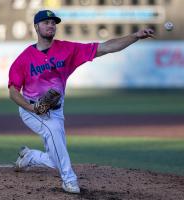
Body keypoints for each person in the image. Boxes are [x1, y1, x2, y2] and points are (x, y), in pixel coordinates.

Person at [8, 9, 154, 194]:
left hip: (55, 110)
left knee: (56, 156)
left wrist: (135, 36)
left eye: (53, 22)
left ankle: (30, 157)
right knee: (53, 132)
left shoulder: (68, 49)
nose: (51, 25)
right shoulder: (24, 59)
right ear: (36, 27)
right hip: (31, 108)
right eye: (46, 22)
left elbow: (106, 47)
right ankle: (69, 180)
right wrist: (31, 107)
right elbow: (13, 92)